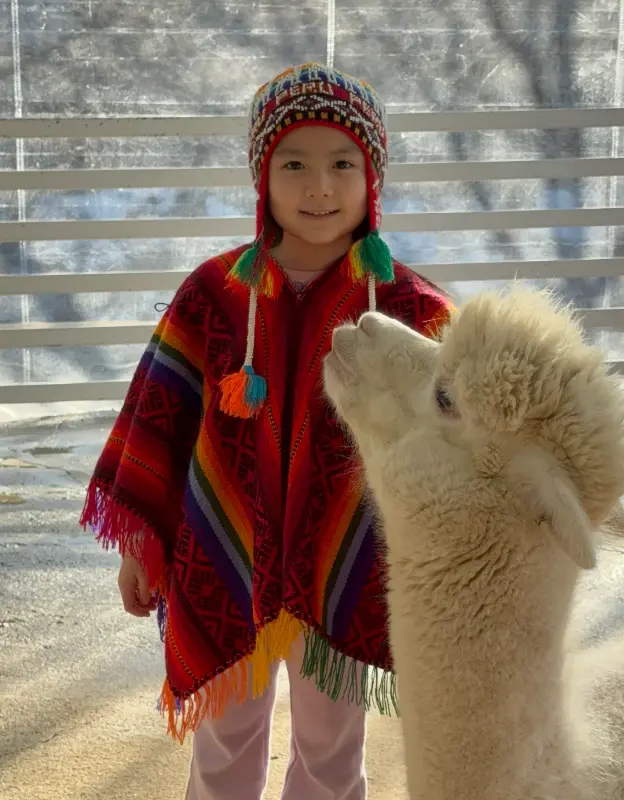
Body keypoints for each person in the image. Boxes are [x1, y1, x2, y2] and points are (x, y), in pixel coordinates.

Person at [80, 63, 452, 799]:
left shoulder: (407, 308)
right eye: (294, 164)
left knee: (331, 750)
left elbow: (457, 438)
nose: (319, 187)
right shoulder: (213, 295)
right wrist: (139, 546)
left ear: (372, 176)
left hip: (348, 565)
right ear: (262, 176)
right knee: (224, 744)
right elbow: (159, 425)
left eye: (342, 164)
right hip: (225, 565)